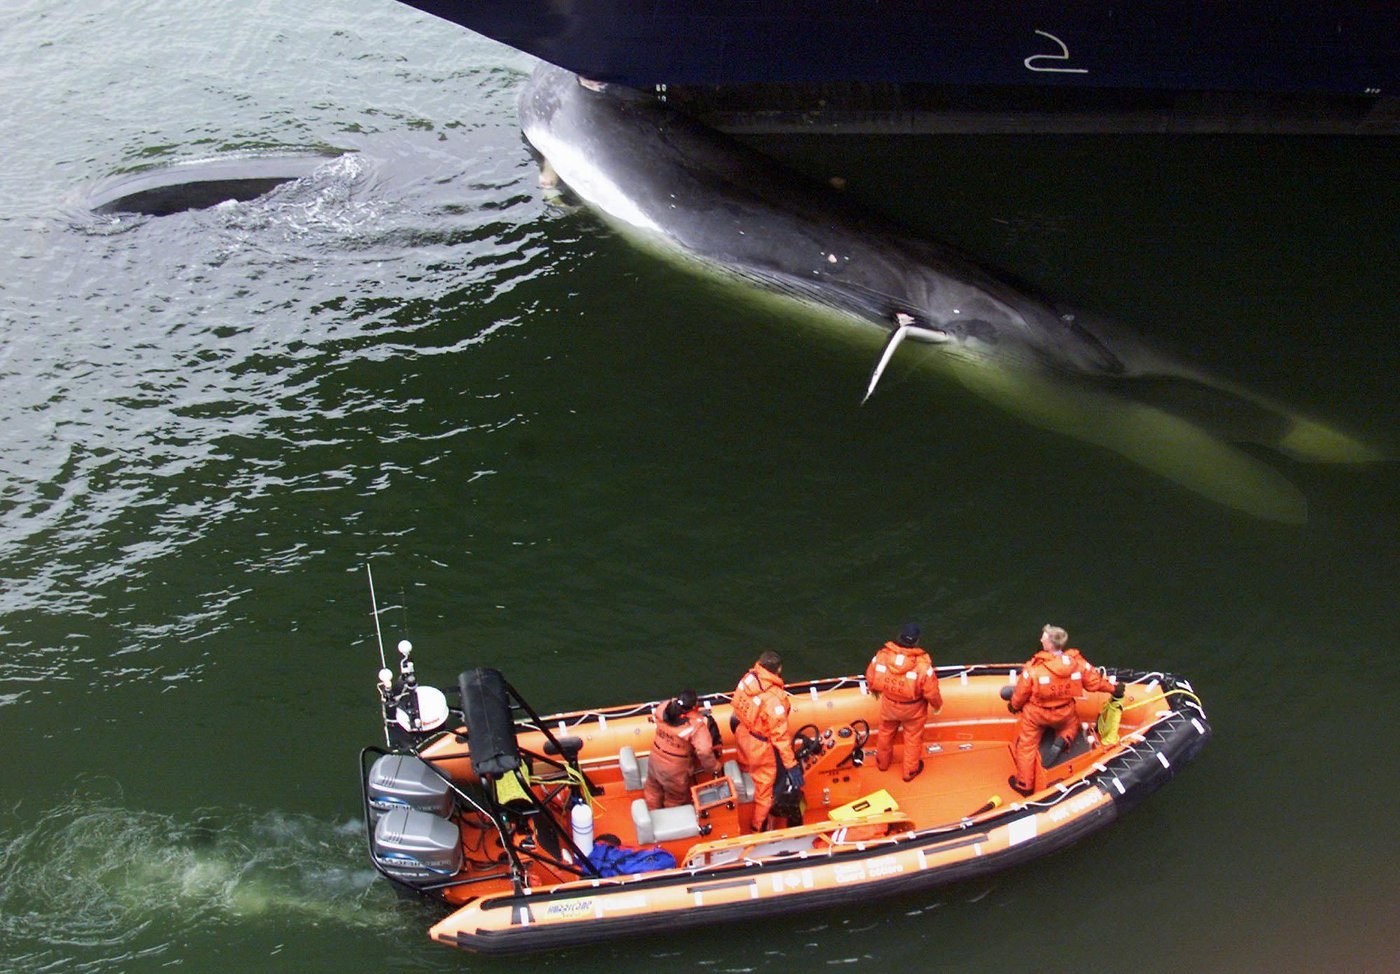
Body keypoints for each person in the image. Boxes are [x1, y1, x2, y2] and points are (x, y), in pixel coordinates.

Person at [1007, 624, 1123, 795]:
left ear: (1050, 644)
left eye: (1044, 637)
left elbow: (1020, 693)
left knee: (1027, 745)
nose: (1040, 639)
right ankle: (1064, 738)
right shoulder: (1077, 663)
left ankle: (1024, 785)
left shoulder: (1033, 669)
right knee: (1071, 725)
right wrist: (1114, 689)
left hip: (1037, 715)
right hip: (1064, 712)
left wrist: (1013, 706)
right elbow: (1094, 683)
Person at [731, 650, 803, 832]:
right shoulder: (774, 699)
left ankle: (747, 777)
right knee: (766, 791)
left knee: (748, 767)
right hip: (760, 747)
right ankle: (757, 827)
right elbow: (780, 737)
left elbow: (736, 705)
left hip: (743, 734)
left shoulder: (748, 680)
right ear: (778, 669)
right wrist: (792, 766)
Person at [865, 622, 943, 782]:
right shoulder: (922, 666)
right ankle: (910, 772)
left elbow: (871, 677)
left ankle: (882, 763)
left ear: (899, 637)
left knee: (885, 733)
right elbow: (931, 691)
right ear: (916, 642)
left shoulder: (881, 656)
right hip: (913, 710)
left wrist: (873, 691)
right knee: (913, 739)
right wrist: (937, 706)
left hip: (889, 705)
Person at [643, 689, 720, 810]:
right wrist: (713, 768)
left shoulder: (663, 708)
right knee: (675, 799)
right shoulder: (696, 725)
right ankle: (670, 823)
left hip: (655, 759)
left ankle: (652, 813)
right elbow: (704, 751)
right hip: (674, 769)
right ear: (695, 706)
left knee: (653, 789)